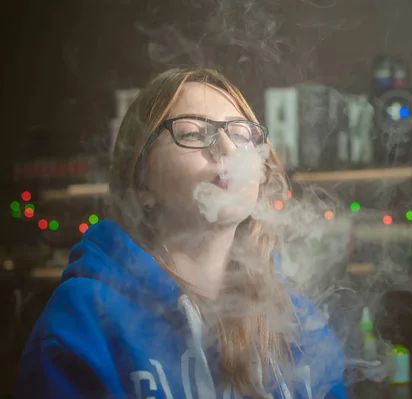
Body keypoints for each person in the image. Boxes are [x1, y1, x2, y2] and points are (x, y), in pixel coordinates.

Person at [15, 68, 347, 399]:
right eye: (192, 133)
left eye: (243, 135)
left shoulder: (297, 320)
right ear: (142, 181)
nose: (228, 149)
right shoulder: (86, 318)